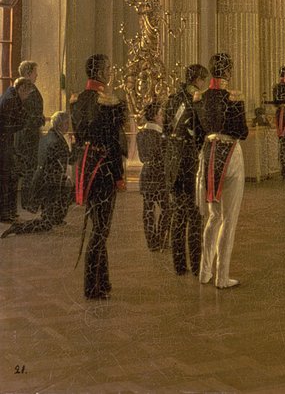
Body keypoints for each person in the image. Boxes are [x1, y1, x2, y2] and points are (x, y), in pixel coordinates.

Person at [71, 54, 128, 300]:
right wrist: (119, 176)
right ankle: (92, 286)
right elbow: (113, 143)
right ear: (100, 72)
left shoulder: (78, 100)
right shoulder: (108, 101)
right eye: (108, 68)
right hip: (103, 169)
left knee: (98, 227)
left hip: (86, 167)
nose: (110, 72)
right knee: (101, 230)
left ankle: (103, 281)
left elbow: (79, 138)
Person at [196, 52, 249, 289]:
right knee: (229, 219)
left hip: (209, 155)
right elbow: (242, 132)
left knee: (213, 216)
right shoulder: (233, 97)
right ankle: (222, 276)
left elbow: (199, 130)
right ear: (228, 71)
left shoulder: (200, 97)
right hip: (230, 154)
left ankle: (204, 271)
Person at [163, 62, 208, 277]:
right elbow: (202, 131)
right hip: (190, 159)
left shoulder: (172, 99)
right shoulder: (196, 98)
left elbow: (165, 128)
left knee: (178, 214)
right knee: (195, 214)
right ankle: (197, 265)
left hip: (173, 160)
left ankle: (179, 264)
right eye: (203, 80)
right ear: (198, 79)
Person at [2, 111, 73, 235]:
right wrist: (64, 177)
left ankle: (53, 219)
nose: (68, 126)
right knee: (46, 223)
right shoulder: (56, 140)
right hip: (50, 183)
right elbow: (57, 164)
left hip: (45, 181)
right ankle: (19, 227)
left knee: (49, 217)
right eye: (66, 123)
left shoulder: (50, 136)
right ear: (60, 124)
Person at [137, 99, 169, 252]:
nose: (162, 117)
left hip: (146, 173)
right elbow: (164, 157)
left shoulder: (141, 134)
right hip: (159, 174)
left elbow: (142, 158)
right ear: (155, 116)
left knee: (148, 210)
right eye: (161, 114)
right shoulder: (160, 136)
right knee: (167, 208)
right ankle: (161, 238)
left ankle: (151, 242)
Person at [14, 59, 44, 212]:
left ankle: (28, 202)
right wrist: (40, 119)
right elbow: (28, 116)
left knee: (30, 169)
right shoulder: (25, 90)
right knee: (28, 170)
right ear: (28, 73)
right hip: (27, 137)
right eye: (34, 72)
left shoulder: (29, 88)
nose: (36, 75)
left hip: (29, 136)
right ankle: (27, 203)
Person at [0, 76, 31, 222]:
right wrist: (23, 121)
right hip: (3, 145)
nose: (27, 96)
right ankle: (5, 213)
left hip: (6, 144)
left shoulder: (11, 97)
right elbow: (8, 126)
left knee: (10, 178)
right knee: (7, 179)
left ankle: (9, 212)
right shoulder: (10, 100)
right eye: (28, 92)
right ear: (22, 89)